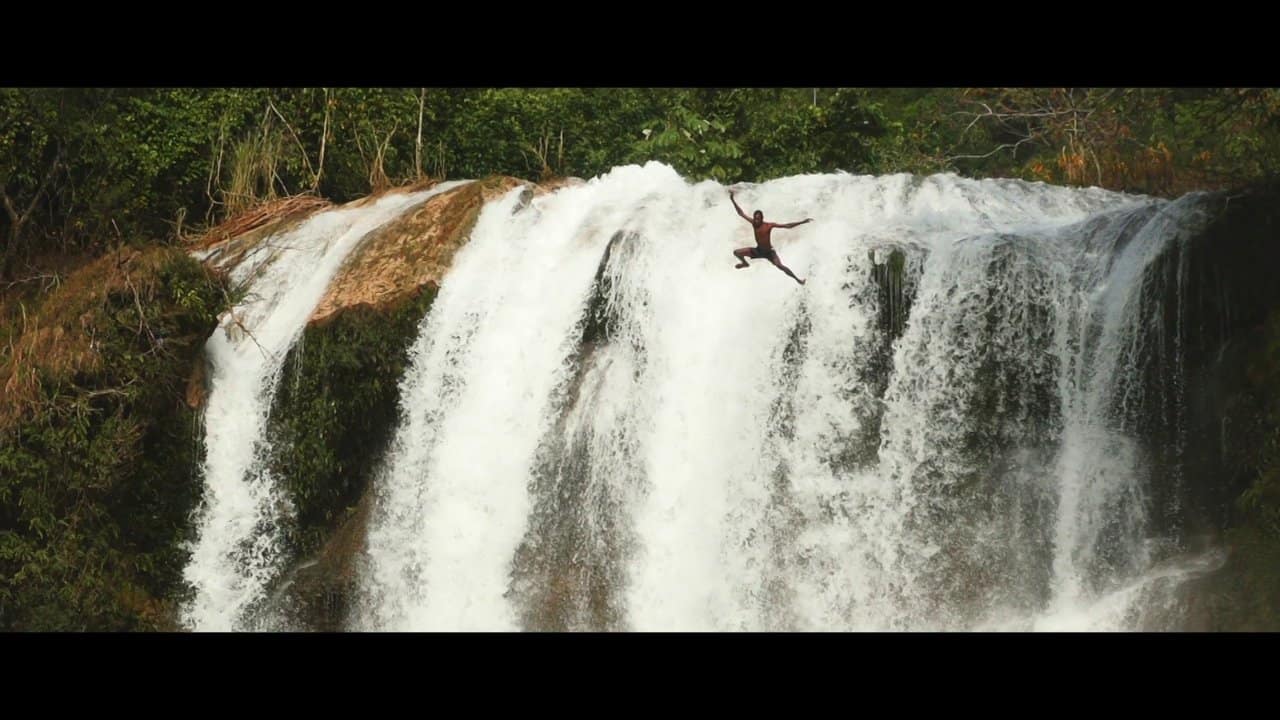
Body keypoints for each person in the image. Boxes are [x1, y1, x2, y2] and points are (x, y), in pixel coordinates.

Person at [729, 190, 811, 285]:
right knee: (736, 252)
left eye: (758, 219)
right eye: (755, 218)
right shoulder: (753, 223)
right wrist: (732, 199)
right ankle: (745, 263)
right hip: (758, 250)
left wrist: (802, 222)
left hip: (769, 253)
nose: (756, 221)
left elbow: (787, 226)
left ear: (762, 218)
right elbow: (741, 213)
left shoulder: (768, 225)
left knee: (780, 266)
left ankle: (798, 280)